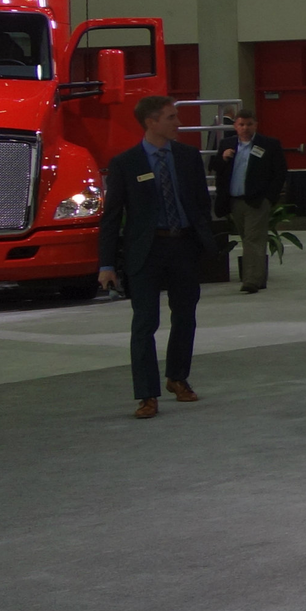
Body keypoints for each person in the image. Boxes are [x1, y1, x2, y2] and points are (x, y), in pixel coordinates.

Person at [97, 96, 218, 419]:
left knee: (185, 316)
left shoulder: (188, 157)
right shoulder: (126, 163)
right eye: (171, 117)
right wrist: (106, 264)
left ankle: (177, 377)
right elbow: (111, 217)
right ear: (152, 122)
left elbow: (200, 204)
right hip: (146, 251)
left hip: (183, 247)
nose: (178, 122)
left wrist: (204, 240)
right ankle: (146, 395)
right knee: (145, 322)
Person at [211, 107, 289, 294]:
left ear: (255, 125)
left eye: (249, 124)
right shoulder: (227, 144)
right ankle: (258, 277)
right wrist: (223, 158)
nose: (245, 128)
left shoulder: (268, 144)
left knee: (254, 238)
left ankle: (251, 281)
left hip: (257, 201)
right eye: (241, 124)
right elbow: (214, 167)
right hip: (234, 201)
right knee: (247, 239)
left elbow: (280, 172)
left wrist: (269, 198)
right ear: (235, 126)